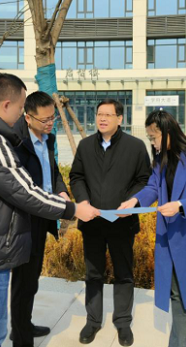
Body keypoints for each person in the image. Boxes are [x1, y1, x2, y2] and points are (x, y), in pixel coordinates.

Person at [0, 73, 99, 347]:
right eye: (22, 107)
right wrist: (72, 209)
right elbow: (26, 191)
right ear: (7, 105)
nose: (22, 114)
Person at [119, 110, 186, 347]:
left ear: (168, 132)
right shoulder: (161, 161)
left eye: (154, 137)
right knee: (178, 296)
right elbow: (152, 188)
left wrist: (180, 205)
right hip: (173, 240)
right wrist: (134, 201)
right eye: (150, 138)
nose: (152, 143)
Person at [70, 99, 151, 346]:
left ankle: (123, 322)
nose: (102, 118)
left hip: (122, 222)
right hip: (92, 222)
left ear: (120, 119)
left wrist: (131, 202)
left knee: (124, 273)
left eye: (108, 114)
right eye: (99, 114)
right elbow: (76, 177)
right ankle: (93, 321)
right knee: (93, 273)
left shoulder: (135, 147)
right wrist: (83, 201)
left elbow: (144, 179)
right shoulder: (85, 146)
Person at [10, 91, 71, 347]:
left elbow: (53, 172)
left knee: (32, 279)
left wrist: (62, 191)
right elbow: (22, 189)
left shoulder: (48, 139)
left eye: (52, 118)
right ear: (28, 117)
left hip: (42, 219)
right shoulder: (16, 143)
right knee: (22, 282)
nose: (50, 123)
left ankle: (24, 324)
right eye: (44, 120)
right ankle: (20, 336)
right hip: (23, 222)